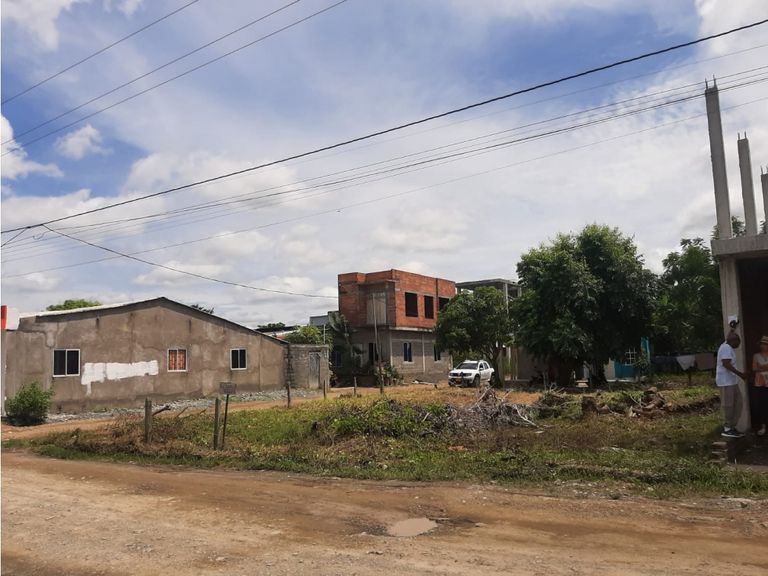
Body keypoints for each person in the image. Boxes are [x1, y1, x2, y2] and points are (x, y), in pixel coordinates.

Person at [715, 331, 746, 438]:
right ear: (733, 340)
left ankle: (732, 427)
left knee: (738, 403)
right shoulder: (726, 348)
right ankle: (727, 428)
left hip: (732, 381)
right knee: (728, 405)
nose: (738, 345)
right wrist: (740, 374)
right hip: (726, 382)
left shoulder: (728, 348)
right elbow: (726, 364)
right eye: (738, 342)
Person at [752, 335, 768, 437]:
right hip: (760, 383)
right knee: (762, 405)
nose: (763, 346)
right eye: (762, 344)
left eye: (765, 344)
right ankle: (763, 426)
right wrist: (765, 367)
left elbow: (758, 367)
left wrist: (761, 367)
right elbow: (754, 368)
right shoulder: (756, 356)